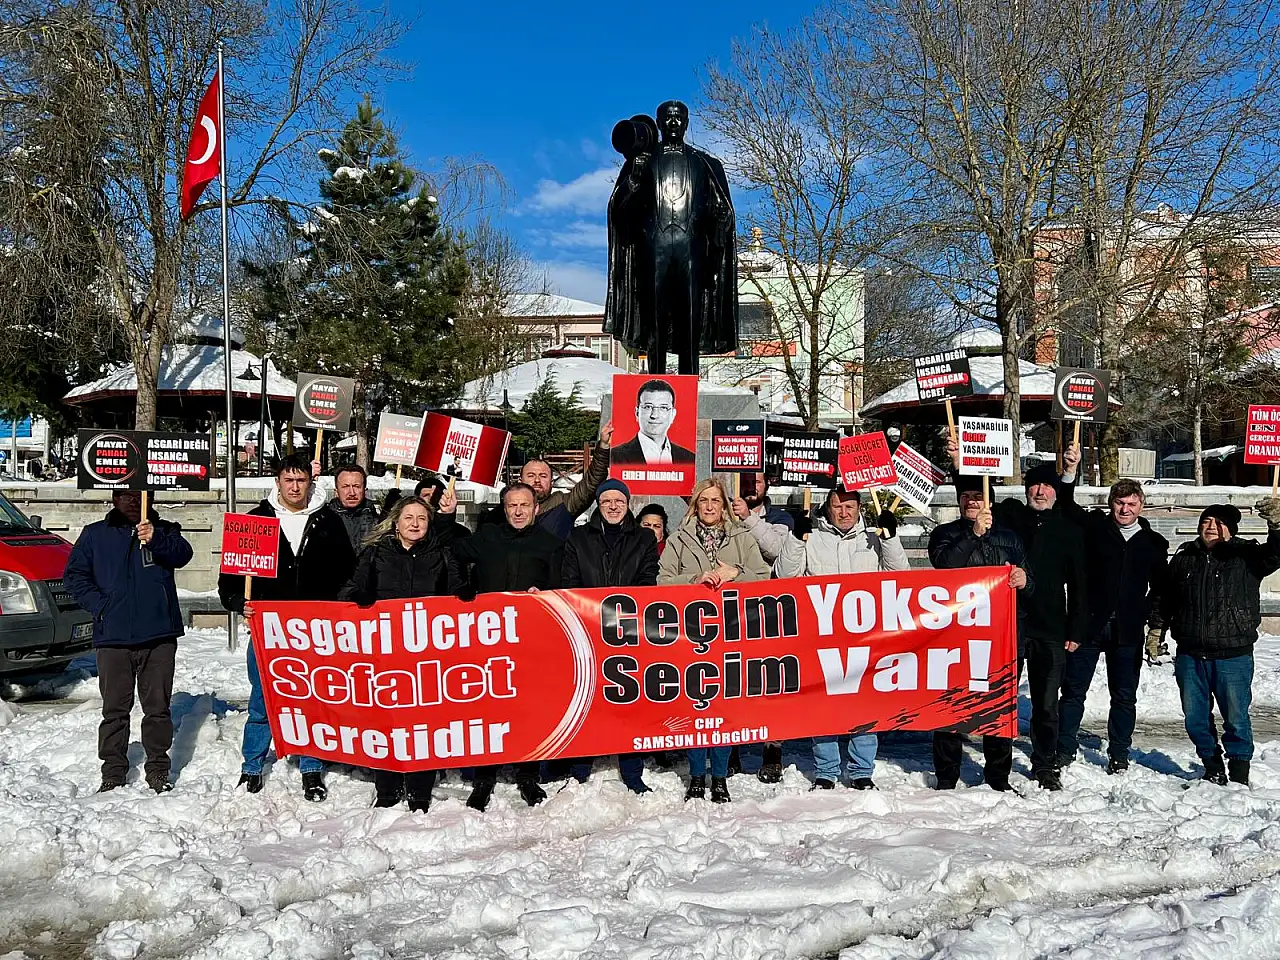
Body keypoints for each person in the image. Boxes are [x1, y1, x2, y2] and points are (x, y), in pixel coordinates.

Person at [946, 443, 1088, 791]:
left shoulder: (1069, 528)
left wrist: (1076, 627)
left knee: (1046, 704)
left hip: (1051, 628)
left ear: (1056, 491)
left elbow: (1080, 584)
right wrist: (958, 465)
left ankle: (1045, 764)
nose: (1040, 492)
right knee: (1003, 698)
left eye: (1047, 486)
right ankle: (999, 768)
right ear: (1025, 490)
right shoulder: (1010, 516)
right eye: (1034, 485)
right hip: (1010, 625)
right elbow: (978, 498)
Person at [218, 453, 356, 802]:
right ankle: (252, 765)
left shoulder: (328, 521)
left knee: (312, 698)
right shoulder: (256, 521)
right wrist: (238, 602)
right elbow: (229, 580)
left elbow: (347, 573)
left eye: (301, 480)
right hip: (268, 628)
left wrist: (338, 606)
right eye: (289, 480)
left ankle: (311, 766)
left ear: (311, 482)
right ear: (277, 482)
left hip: (314, 627)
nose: (295, 487)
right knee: (263, 697)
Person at [437, 482, 564, 810]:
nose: (518, 512)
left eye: (525, 505)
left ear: (536, 508)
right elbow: (450, 548)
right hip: (489, 642)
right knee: (488, 710)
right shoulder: (488, 537)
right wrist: (447, 517)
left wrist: (546, 594)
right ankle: (484, 778)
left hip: (531, 642)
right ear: (504, 509)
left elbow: (563, 588)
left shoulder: (551, 544)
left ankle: (528, 775)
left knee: (529, 709)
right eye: (512, 506)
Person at [772, 486, 908, 790]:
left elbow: (900, 575)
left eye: (850, 507)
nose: (844, 513)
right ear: (828, 508)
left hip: (865, 636)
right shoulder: (812, 538)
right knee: (823, 703)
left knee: (865, 702)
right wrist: (796, 539)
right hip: (822, 637)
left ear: (859, 508)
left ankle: (862, 771)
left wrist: (890, 539)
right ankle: (826, 770)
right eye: (837, 507)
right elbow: (784, 576)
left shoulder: (873, 538)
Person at [64, 490, 193, 794]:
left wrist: (156, 539)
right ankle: (113, 771)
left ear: (151, 498)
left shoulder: (165, 530)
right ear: (114, 499)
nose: (134, 501)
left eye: (140, 496)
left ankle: (158, 769)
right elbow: (75, 576)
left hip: (158, 635)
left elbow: (183, 555)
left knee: (157, 708)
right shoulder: (96, 534)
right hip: (113, 638)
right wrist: (101, 606)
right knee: (114, 710)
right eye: (126, 496)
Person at [339, 496, 461, 811]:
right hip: (385, 652)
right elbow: (348, 591)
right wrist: (360, 597)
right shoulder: (375, 553)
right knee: (387, 719)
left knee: (424, 722)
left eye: (422, 518)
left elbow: (459, 594)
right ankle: (388, 787)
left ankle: (420, 789)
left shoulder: (443, 554)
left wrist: (464, 594)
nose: (415, 524)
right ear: (396, 522)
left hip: (427, 654)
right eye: (409, 517)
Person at [1055, 447, 1170, 774]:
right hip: (1088, 626)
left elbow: (1161, 589)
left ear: (1141, 505)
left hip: (1128, 631)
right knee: (1073, 691)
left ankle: (1119, 753)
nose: (1125, 509)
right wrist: (1070, 471)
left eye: (1131, 503)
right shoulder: (1094, 528)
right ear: (1111, 504)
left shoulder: (1153, 543)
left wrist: (1155, 624)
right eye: (1120, 503)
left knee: (1124, 696)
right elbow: (1066, 506)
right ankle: (1064, 748)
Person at [604, 100, 737, 376]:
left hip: (692, 252)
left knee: (691, 317)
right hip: (653, 251)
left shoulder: (705, 163)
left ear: (686, 123)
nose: (673, 123)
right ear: (658, 123)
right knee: (654, 319)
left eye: (678, 118)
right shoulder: (641, 162)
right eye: (667, 118)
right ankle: (656, 378)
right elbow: (619, 211)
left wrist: (717, 236)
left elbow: (721, 210)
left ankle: (689, 378)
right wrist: (634, 180)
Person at [658, 477, 771, 802]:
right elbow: (662, 580)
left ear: (724, 506)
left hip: (731, 634)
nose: (709, 506)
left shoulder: (742, 537)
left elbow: (764, 577)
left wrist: (736, 573)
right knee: (696, 707)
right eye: (704, 500)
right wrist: (694, 580)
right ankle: (697, 775)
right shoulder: (679, 539)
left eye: (715, 501)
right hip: (690, 635)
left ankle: (720, 777)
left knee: (724, 709)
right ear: (695, 505)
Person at [1160, 500, 1280, 786]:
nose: (1211, 527)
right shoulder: (1185, 557)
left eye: (1219, 522)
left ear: (1231, 529)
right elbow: (1165, 597)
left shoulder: (1246, 555)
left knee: (1236, 718)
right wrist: (1156, 630)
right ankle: (1212, 766)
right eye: (1206, 521)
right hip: (1190, 653)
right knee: (1195, 718)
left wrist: (1276, 525)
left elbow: (1276, 554)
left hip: (1233, 654)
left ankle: (1238, 773)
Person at [928, 475, 1032, 791]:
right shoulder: (945, 534)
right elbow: (945, 566)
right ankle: (947, 776)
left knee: (998, 707)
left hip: (1002, 638)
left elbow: (1031, 584)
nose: (972, 501)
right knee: (950, 706)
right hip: (956, 636)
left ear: (990, 500)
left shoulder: (1010, 537)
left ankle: (998, 776)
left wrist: (1024, 580)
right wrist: (973, 534)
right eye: (966, 496)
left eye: (978, 495)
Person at [558, 479, 661, 792]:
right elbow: (570, 582)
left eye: (619, 501)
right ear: (598, 505)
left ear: (628, 505)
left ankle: (632, 770)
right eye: (606, 501)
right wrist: (591, 611)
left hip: (629, 629)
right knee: (588, 698)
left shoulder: (643, 538)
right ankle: (580, 769)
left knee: (629, 700)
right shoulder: (578, 537)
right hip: (589, 629)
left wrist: (624, 607)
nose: (613, 506)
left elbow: (648, 579)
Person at [486, 422, 614, 539]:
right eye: (531, 475)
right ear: (520, 480)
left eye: (543, 476)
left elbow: (591, 482)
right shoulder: (505, 511)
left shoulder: (563, 504)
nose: (537, 480)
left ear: (552, 482)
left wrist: (603, 447)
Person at [609, 380, 696, 464]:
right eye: (648, 407)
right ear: (637, 413)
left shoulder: (689, 458)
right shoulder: (615, 456)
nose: (654, 415)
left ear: (673, 414)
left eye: (663, 408)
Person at [329, 463, 380, 552]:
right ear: (336, 491)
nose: (352, 493)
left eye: (356, 486)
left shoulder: (377, 521)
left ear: (365, 490)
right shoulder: (325, 521)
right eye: (345, 487)